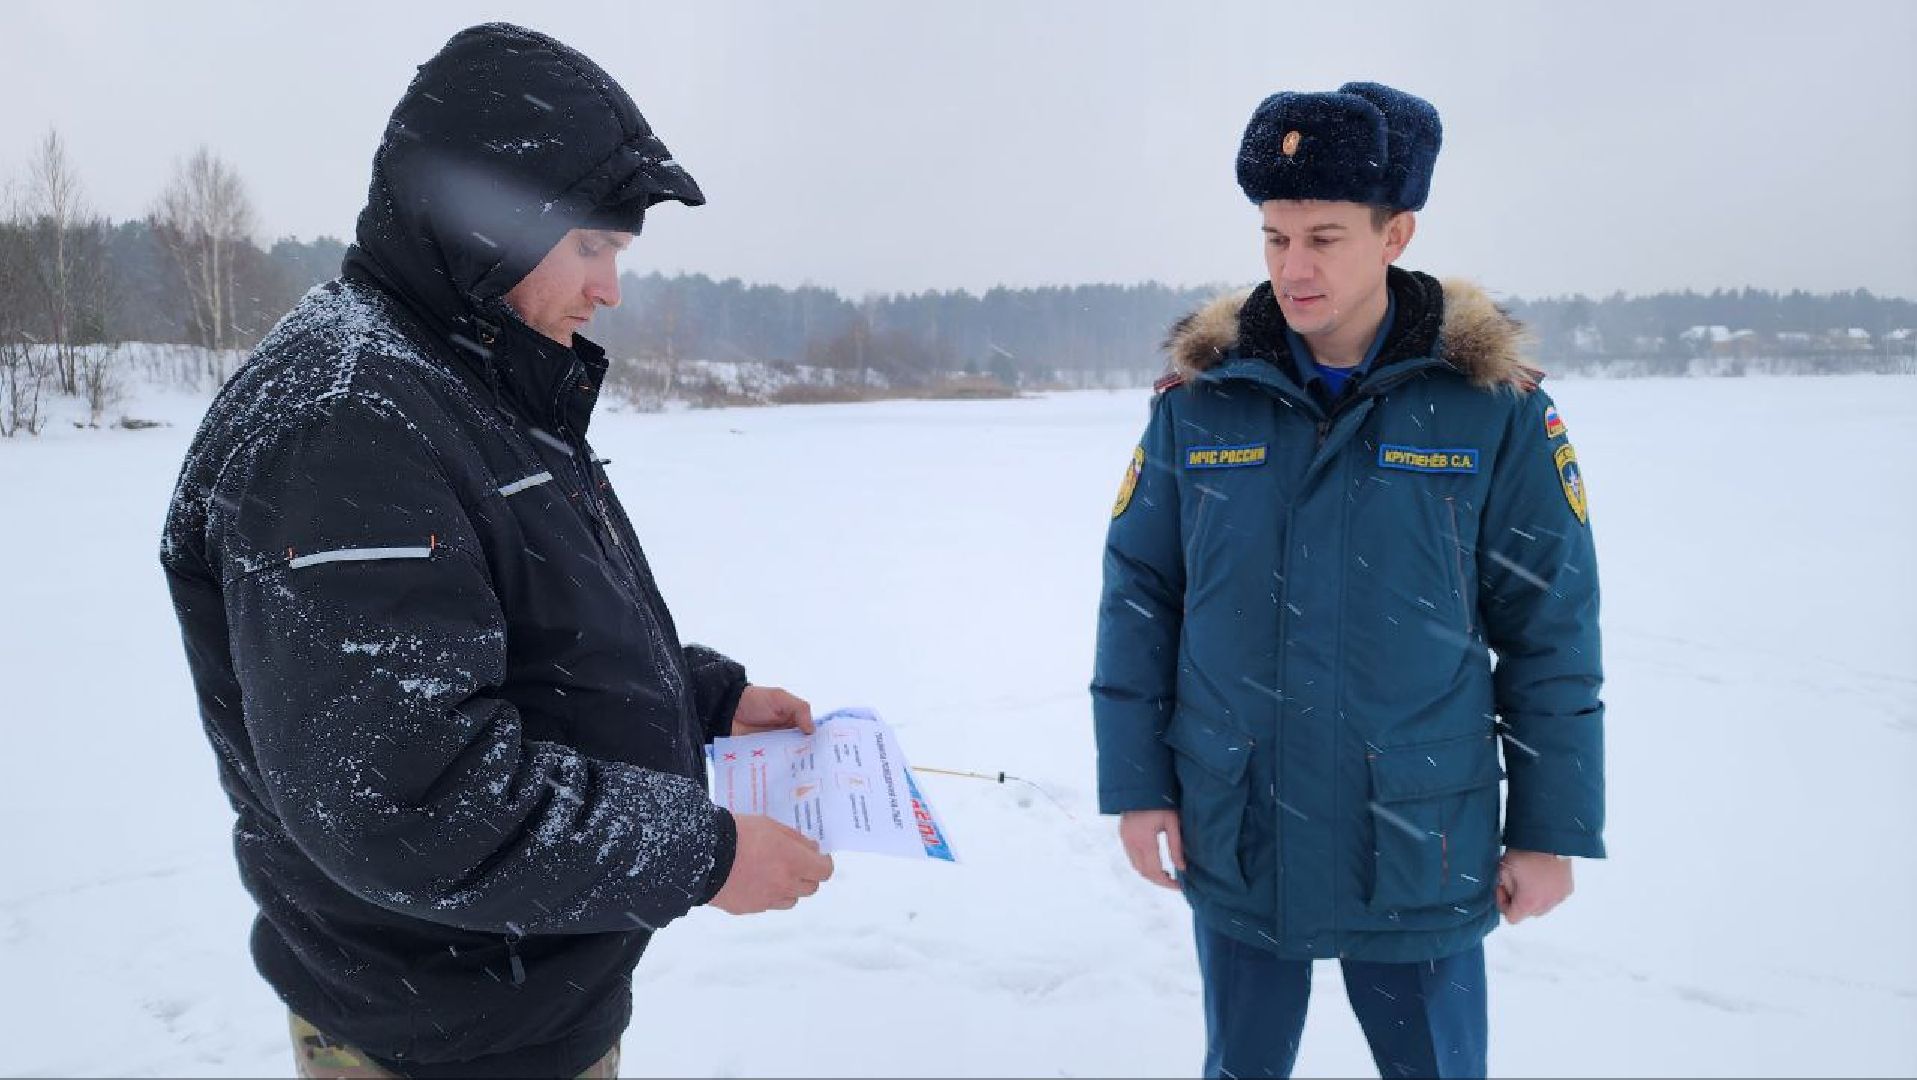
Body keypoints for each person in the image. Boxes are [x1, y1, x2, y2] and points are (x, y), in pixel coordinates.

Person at [160, 23, 832, 1079]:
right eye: (594, 247)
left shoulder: (460, 379)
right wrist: (702, 854)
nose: (610, 288)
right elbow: (404, 797)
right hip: (438, 1037)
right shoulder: (347, 428)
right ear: (495, 225)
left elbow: (517, 628)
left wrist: (706, 699)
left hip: (512, 1007)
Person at [1091, 82, 1605, 1079]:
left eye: (1324, 237)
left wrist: (1551, 828)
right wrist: (1138, 784)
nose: (1295, 267)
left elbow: (1550, 629)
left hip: (1419, 835)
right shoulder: (1202, 404)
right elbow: (1141, 598)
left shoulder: (1490, 410)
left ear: (1396, 233)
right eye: (1275, 238)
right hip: (1239, 822)